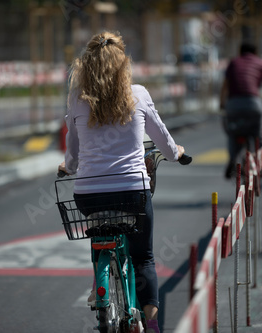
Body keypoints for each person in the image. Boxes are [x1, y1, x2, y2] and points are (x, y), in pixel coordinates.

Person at [58, 31, 185, 333]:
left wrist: (68, 166)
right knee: (144, 258)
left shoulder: (77, 99)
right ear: (124, 65)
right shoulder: (138, 94)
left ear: (86, 66)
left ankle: (97, 282)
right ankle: (152, 325)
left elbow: (73, 154)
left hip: (88, 196)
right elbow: (165, 144)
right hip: (133, 193)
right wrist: (177, 153)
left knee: (100, 226)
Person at [219, 42, 262, 179]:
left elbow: (224, 86)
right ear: (255, 52)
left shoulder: (233, 63)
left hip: (233, 104)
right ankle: (261, 164)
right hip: (253, 104)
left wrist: (222, 104)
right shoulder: (261, 63)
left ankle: (232, 159)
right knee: (259, 133)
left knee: (232, 133)